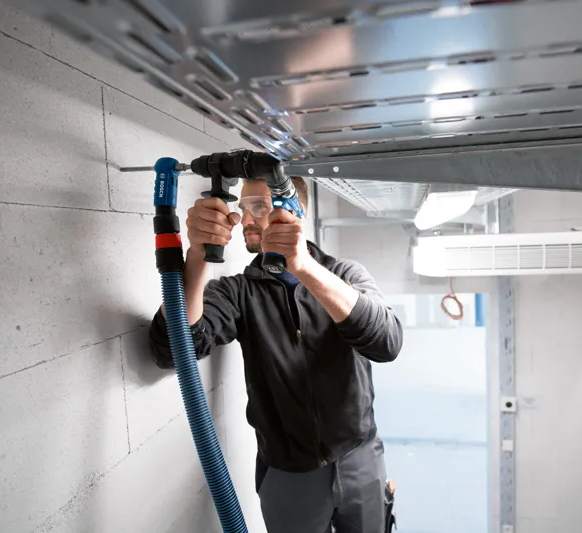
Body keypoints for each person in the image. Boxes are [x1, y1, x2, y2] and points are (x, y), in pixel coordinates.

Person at [149, 176, 403, 533]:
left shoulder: (345, 274)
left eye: (260, 208)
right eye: (243, 208)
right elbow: (171, 349)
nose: (246, 219)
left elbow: (387, 341)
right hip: (288, 472)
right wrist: (197, 255)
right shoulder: (239, 292)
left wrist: (304, 267)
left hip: (359, 458)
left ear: (294, 212)